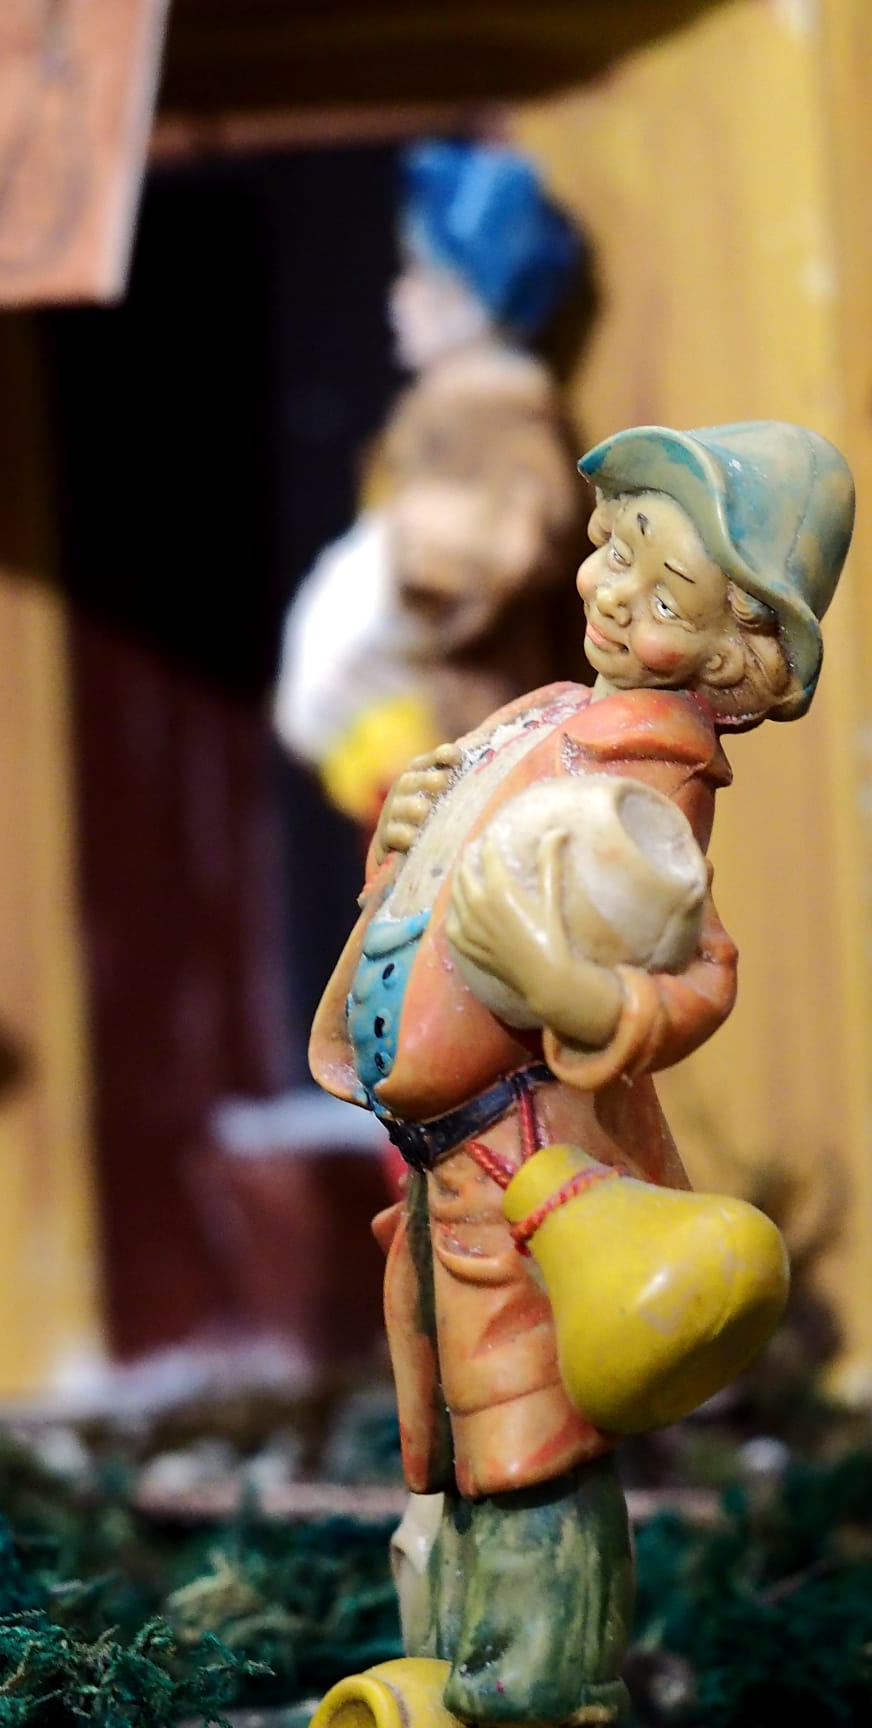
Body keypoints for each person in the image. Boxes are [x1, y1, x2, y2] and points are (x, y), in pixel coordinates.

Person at [307, 421, 853, 1727]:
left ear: (734, 654)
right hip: (441, 1167)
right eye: (614, 551)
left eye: (662, 598)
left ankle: (541, 1690)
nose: (611, 591)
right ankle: (453, 1664)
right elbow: (447, 866)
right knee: (447, 1445)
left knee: (528, 1441)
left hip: (524, 1168)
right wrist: (400, 842)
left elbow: (701, 972)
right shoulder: (552, 714)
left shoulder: (654, 775)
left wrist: (575, 997)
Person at [276, 139, 585, 829]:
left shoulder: (502, 413)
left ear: (469, 297)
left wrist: (401, 551)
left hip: (467, 735)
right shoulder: (436, 412)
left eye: (420, 276)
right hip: (405, 743)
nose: (399, 298)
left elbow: (518, 533)